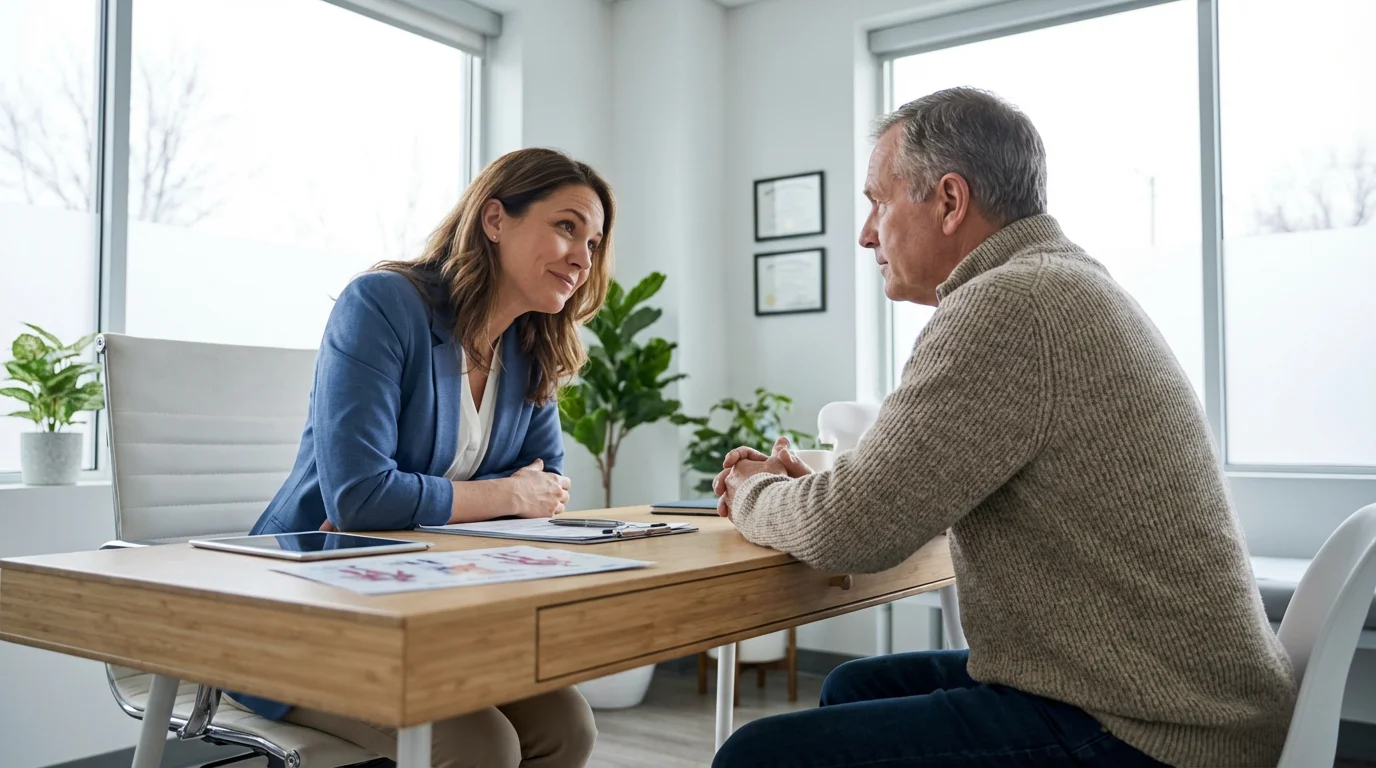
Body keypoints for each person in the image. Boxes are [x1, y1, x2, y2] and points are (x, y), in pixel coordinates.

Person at [711, 87, 1295, 768]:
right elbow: (900, 495)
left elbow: (854, 530)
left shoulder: (1007, 305)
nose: (866, 232)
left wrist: (749, 489)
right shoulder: (1062, 283)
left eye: (878, 201)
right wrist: (824, 489)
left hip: (1153, 729)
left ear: (950, 202)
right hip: (1178, 696)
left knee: (756, 757)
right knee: (852, 685)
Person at [228, 147, 614, 768]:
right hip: (304, 612)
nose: (581, 257)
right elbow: (359, 496)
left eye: (593, 242)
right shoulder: (383, 306)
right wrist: (502, 495)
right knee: (480, 745)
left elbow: (547, 494)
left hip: (425, 609)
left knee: (567, 725)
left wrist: (437, 503)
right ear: (495, 219)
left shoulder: (532, 348)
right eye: (566, 226)